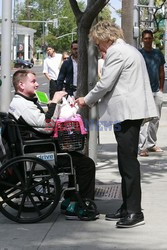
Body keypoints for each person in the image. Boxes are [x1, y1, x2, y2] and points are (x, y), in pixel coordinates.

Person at [75, 20, 157, 228]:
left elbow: (105, 83)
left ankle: (134, 212)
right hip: (130, 112)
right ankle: (127, 205)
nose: (98, 47)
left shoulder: (116, 52)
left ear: (105, 38)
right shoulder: (127, 49)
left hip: (128, 113)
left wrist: (86, 99)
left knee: (128, 164)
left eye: (98, 43)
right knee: (125, 161)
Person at [9, 69, 98, 221]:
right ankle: (81, 205)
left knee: (77, 158)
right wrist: (55, 102)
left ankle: (70, 200)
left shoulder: (23, 101)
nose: (37, 84)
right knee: (86, 164)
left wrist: (51, 106)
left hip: (41, 146)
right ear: (21, 85)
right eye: (33, 81)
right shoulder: (22, 104)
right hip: (40, 150)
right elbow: (47, 125)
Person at [138, 30, 165, 157]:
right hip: (142, 92)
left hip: (156, 91)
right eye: (145, 38)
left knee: (155, 119)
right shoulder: (139, 54)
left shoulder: (158, 54)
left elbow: (161, 71)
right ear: (142, 40)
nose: (148, 40)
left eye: (149, 38)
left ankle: (151, 144)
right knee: (144, 120)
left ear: (152, 39)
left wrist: (161, 88)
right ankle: (142, 147)